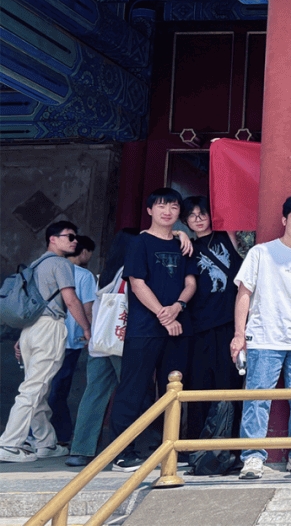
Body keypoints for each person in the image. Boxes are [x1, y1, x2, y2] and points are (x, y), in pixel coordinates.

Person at [231, 195, 291, 480]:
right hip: (264, 336)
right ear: (285, 219)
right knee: (257, 399)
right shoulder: (261, 252)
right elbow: (244, 293)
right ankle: (252, 457)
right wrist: (239, 334)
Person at [110, 189, 197, 471]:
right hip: (145, 329)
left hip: (178, 329)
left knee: (173, 391)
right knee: (133, 389)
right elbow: (137, 284)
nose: (167, 212)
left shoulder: (183, 244)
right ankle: (122, 452)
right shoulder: (138, 243)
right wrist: (165, 315)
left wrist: (178, 307)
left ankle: (169, 448)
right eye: (161, 206)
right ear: (149, 210)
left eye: (173, 207)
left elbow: (191, 283)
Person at [0, 222, 91, 463]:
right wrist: (86, 328)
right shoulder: (61, 263)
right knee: (34, 389)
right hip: (49, 327)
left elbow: (33, 304)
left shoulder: (35, 264)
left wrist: (22, 337)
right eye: (69, 236)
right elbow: (70, 299)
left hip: (31, 329)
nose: (75, 241)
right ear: (53, 238)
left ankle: (45, 443)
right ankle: (9, 444)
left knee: (37, 388)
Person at [66, 230, 140, 467]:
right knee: (130, 394)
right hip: (120, 342)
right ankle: (125, 448)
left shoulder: (105, 272)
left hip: (100, 342)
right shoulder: (128, 272)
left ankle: (81, 450)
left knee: (94, 394)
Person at [180, 196, 244, 441]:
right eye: (192, 215)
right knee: (200, 382)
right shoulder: (186, 246)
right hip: (200, 325)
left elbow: (231, 209)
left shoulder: (226, 236)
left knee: (229, 382)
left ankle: (227, 442)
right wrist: (178, 233)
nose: (198, 219)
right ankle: (197, 443)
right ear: (185, 220)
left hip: (229, 323)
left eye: (202, 214)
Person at [45, 235, 96, 452]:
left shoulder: (46, 269)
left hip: (45, 336)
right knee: (58, 390)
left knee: (43, 389)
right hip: (70, 339)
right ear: (83, 252)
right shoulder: (84, 275)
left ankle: (47, 436)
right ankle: (59, 437)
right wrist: (89, 332)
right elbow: (87, 308)